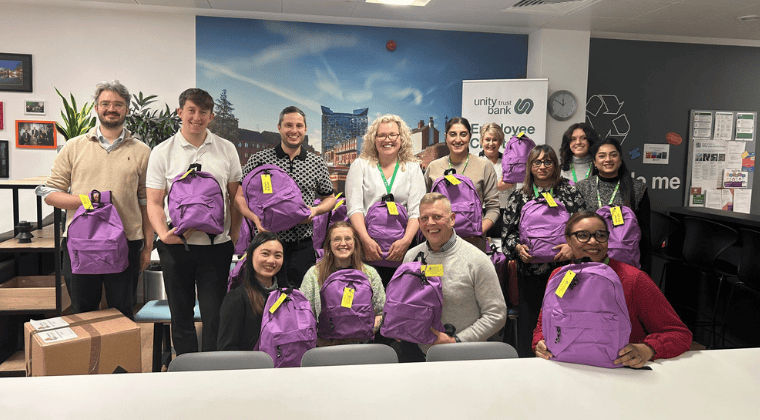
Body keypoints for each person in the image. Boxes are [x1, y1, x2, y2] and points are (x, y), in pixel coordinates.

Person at [38, 80, 152, 319]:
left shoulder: (142, 151)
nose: (112, 109)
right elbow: (50, 194)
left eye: (118, 104)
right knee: (82, 312)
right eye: (105, 103)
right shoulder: (74, 147)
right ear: (96, 107)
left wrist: (148, 247)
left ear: (127, 109)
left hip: (126, 242)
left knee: (123, 312)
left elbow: (147, 202)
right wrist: (87, 201)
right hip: (81, 242)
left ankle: (120, 347)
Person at [146, 88, 242, 355]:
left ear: (211, 116)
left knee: (215, 315)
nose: (197, 117)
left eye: (203, 112)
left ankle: (212, 368)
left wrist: (233, 236)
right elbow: (154, 201)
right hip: (175, 246)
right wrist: (163, 234)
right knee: (181, 315)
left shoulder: (226, 149)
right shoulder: (162, 152)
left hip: (216, 247)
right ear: (180, 112)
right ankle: (186, 367)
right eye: (191, 110)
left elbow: (235, 197)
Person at [533, 211, 692, 367]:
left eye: (601, 235)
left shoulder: (633, 279)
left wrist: (647, 349)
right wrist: (540, 341)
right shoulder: (558, 276)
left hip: (619, 370)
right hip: (566, 368)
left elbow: (679, 334)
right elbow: (544, 324)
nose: (593, 241)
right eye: (583, 235)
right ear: (568, 239)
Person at [398, 193, 506, 361]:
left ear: (452, 219)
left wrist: (456, 341)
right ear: (419, 222)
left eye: (437, 217)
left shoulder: (476, 260)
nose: (430, 223)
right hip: (418, 355)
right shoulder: (411, 257)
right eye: (425, 218)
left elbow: (496, 314)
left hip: (464, 356)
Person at [502, 144, 585, 357]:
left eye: (547, 161)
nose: (542, 166)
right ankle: (530, 365)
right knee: (530, 325)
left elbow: (585, 230)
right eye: (537, 162)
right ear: (529, 166)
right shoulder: (519, 196)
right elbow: (507, 237)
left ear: (555, 165)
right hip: (530, 276)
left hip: (565, 273)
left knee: (564, 320)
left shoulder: (570, 192)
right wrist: (517, 248)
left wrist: (572, 247)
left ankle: (565, 361)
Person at [238, 106, 335, 288]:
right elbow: (239, 197)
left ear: (305, 129)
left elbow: (330, 198)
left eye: (299, 126)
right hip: (266, 245)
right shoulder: (259, 159)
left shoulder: (316, 162)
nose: (294, 130)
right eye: (288, 125)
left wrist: (315, 211)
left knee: (301, 300)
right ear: (279, 127)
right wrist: (255, 220)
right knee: (262, 299)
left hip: (302, 246)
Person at [345, 114, 425, 286]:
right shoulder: (360, 165)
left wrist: (405, 242)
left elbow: (416, 211)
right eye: (381, 135)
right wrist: (366, 241)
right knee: (368, 295)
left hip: (402, 248)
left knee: (401, 296)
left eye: (392, 135)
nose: (387, 140)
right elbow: (354, 208)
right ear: (373, 139)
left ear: (401, 138)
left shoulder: (413, 167)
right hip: (367, 247)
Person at [299, 222, 386, 347]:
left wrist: (366, 331)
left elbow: (381, 311)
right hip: (325, 346)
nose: (343, 243)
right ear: (329, 244)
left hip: (361, 346)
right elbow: (304, 315)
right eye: (337, 239)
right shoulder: (314, 274)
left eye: (348, 239)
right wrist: (320, 341)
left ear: (355, 243)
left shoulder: (369, 273)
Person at [575, 137, 651, 272]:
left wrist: (645, 270)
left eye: (613, 155)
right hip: (590, 260)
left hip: (627, 262)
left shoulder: (637, 188)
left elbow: (645, 234)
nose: (608, 159)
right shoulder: (582, 188)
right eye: (602, 156)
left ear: (620, 160)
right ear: (595, 162)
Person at [424, 117, 499, 251]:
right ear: (446, 137)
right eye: (453, 134)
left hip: (473, 245)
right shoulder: (433, 167)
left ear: (470, 137)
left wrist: (478, 231)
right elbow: (423, 207)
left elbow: (493, 208)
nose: (458, 140)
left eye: (463, 134)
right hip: (438, 245)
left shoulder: (484, 166)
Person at [218, 232, 285, 351]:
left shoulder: (287, 296)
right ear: (250, 256)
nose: (271, 261)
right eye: (265, 254)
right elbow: (226, 350)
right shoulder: (236, 298)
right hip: (250, 362)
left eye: (278, 256)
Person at [478, 122, 515, 248]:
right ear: (481, 141)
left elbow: (515, 186)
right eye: (487, 139)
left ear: (500, 142)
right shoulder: (474, 162)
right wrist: (497, 187)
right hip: (482, 213)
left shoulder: (509, 162)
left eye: (495, 140)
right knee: (483, 249)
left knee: (503, 250)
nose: (491, 143)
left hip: (506, 213)